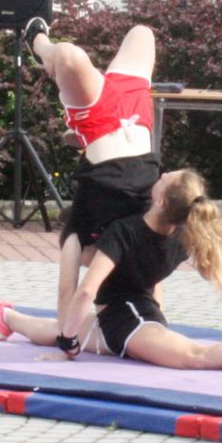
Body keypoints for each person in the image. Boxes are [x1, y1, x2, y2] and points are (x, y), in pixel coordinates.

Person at [0, 168, 222, 378]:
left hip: (132, 322)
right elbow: (153, 278)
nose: (159, 175)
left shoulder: (125, 232)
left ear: (162, 200)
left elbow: (85, 291)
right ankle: (4, 317)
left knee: (195, 356)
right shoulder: (182, 235)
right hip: (130, 321)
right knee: (62, 329)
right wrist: (69, 341)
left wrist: (68, 348)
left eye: (164, 178)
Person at [23, 18, 160, 323]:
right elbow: (155, 281)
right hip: (136, 117)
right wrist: (157, 323)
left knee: (68, 55)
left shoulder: (81, 225)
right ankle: (77, 136)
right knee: (142, 32)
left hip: (98, 118)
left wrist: (67, 338)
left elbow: (67, 293)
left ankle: (38, 45)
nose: (90, 262)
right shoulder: (137, 243)